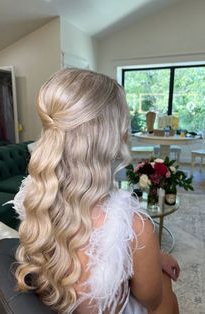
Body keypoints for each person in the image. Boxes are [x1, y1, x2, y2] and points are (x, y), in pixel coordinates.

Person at [12, 68, 180, 314]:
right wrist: (148, 255)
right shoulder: (134, 227)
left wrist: (150, 257)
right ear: (112, 138)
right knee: (167, 289)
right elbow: (151, 301)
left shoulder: (34, 196)